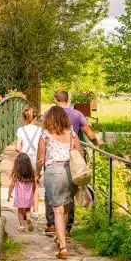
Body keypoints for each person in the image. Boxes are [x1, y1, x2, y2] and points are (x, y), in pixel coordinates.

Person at [43, 90, 98, 235]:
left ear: (56, 100)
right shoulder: (77, 114)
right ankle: (67, 228)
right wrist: (97, 142)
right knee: (69, 195)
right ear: (68, 100)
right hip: (71, 160)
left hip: (53, 160)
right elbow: (90, 134)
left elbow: (44, 135)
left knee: (51, 192)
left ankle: (51, 224)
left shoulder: (49, 113)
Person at [37, 105, 81, 259]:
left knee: (57, 210)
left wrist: (37, 174)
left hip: (54, 172)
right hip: (70, 172)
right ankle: (60, 235)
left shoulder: (46, 135)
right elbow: (79, 155)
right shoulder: (73, 134)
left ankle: (62, 247)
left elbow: (40, 159)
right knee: (66, 205)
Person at [13, 107, 44, 222]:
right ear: (36, 118)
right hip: (36, 160)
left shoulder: (21, 130)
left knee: (24, 184)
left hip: (24, 161)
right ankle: (35, 212)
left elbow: (17, 148)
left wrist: (22, 152)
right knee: (35, 185)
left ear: (24, 118)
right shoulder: (40, 130)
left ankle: (26, 211)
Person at [7, 152, 38, 232]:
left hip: (20, 196)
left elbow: (12, 185)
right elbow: (34, 184)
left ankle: (21, 226)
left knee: (20, 211)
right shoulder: (31, 173)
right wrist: (33, 192)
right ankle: (28, 218)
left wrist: (9, 194)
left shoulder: (16, 173)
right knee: (28, 209)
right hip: (29, 195)